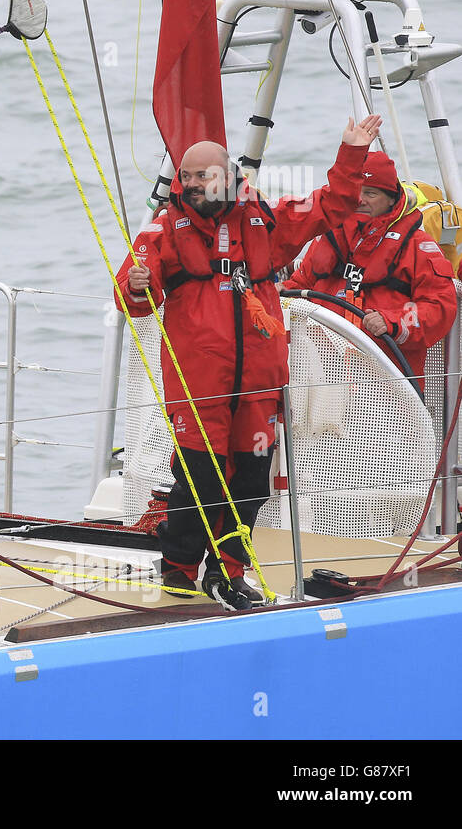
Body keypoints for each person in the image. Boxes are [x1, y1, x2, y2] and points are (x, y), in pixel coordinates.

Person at [117, 116, 383, 602]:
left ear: (228, 177)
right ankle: (178, 571)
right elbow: (133, 291)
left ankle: (229, 572)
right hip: (199, 384)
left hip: (258, 382)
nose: (193, 185)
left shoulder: (267, 221)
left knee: (252, 480)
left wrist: (351, 154)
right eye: (187, 177)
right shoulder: (164, 229)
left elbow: (331, 205)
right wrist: (137, 287)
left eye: (203, 176)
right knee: (199, 481)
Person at [284, 150, 458, 383]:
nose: (360, 200)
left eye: (371, 193)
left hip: (390, 385)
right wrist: (274, 291)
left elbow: (440, 307)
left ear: (391, 198)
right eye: (355, 191)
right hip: (323, 382)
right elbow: (299, 286)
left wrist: (393, 322)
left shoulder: (418, 246)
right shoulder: (327, 237)